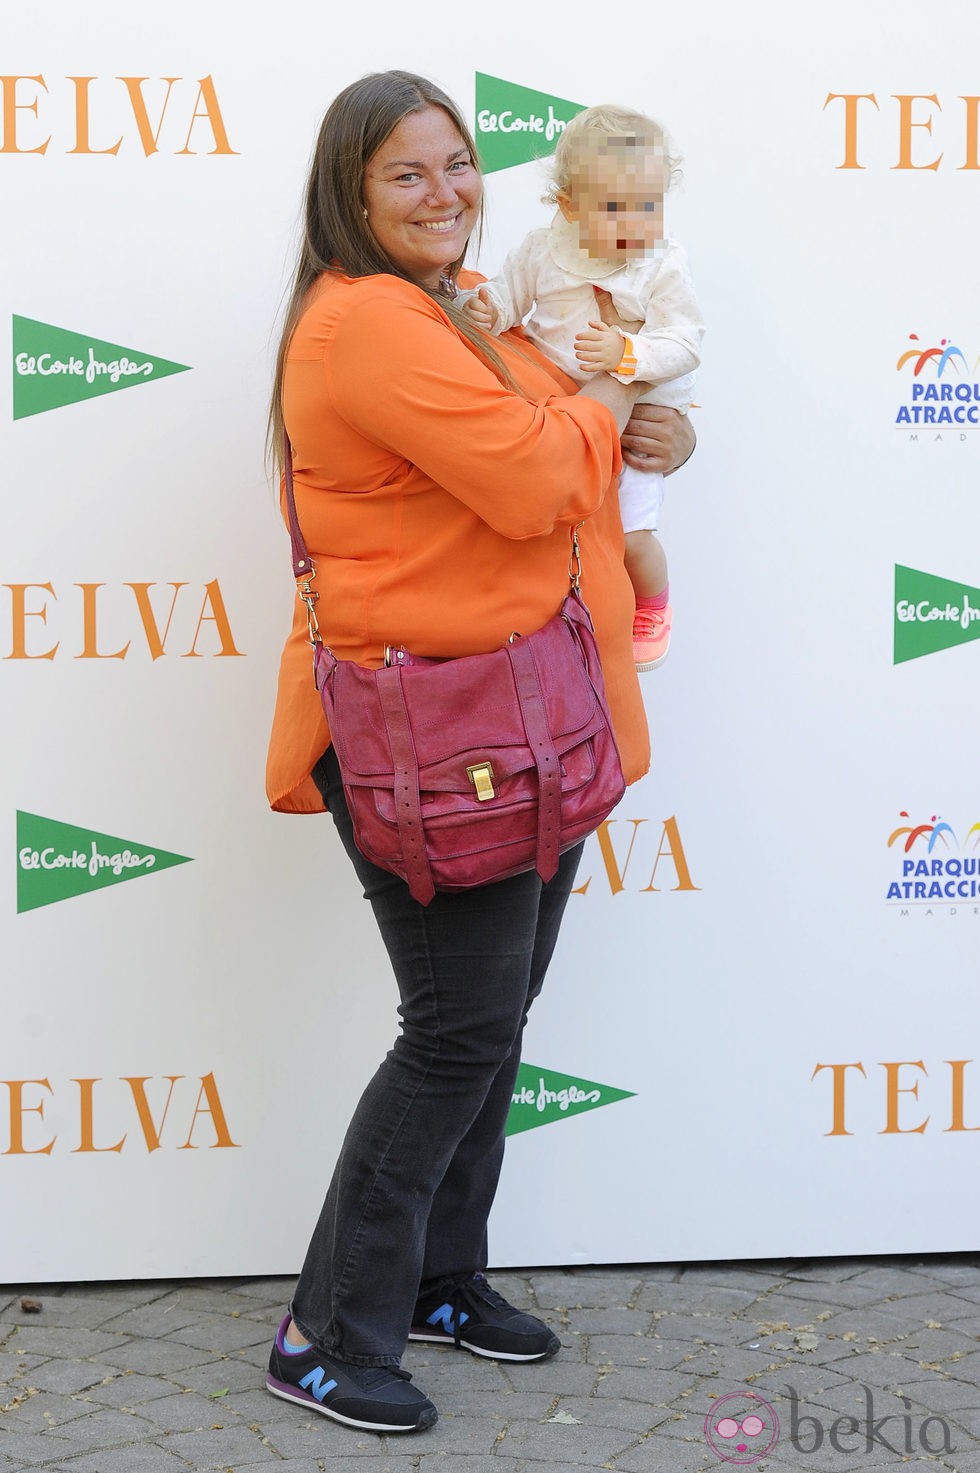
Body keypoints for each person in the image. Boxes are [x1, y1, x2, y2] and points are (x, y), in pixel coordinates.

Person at [263, 70, 695, 1437]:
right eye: (408, 174)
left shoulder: (453, 306)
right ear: (352, 191)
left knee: (492, 1029)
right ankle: (326, 1333)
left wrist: (645, 424)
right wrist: (612, 400)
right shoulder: (365, 326)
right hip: (430, 732)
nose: (447, 192)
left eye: (457, 164)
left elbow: (561, 443)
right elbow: (526, 475)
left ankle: (443, 1277)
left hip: (519, 715)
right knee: (453, 1036)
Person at [464, 104, 704, 671]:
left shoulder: (662, 264)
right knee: (571, 535)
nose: (636, 225)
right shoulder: (544, 250)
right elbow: (508, 293)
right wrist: (487, 309)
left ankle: (653, 603)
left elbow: (687, 343)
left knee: (630, 536)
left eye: (649, 207)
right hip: (558, 413)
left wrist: (629, 354)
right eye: (615, 209)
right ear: (568, 205)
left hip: (638, 418)